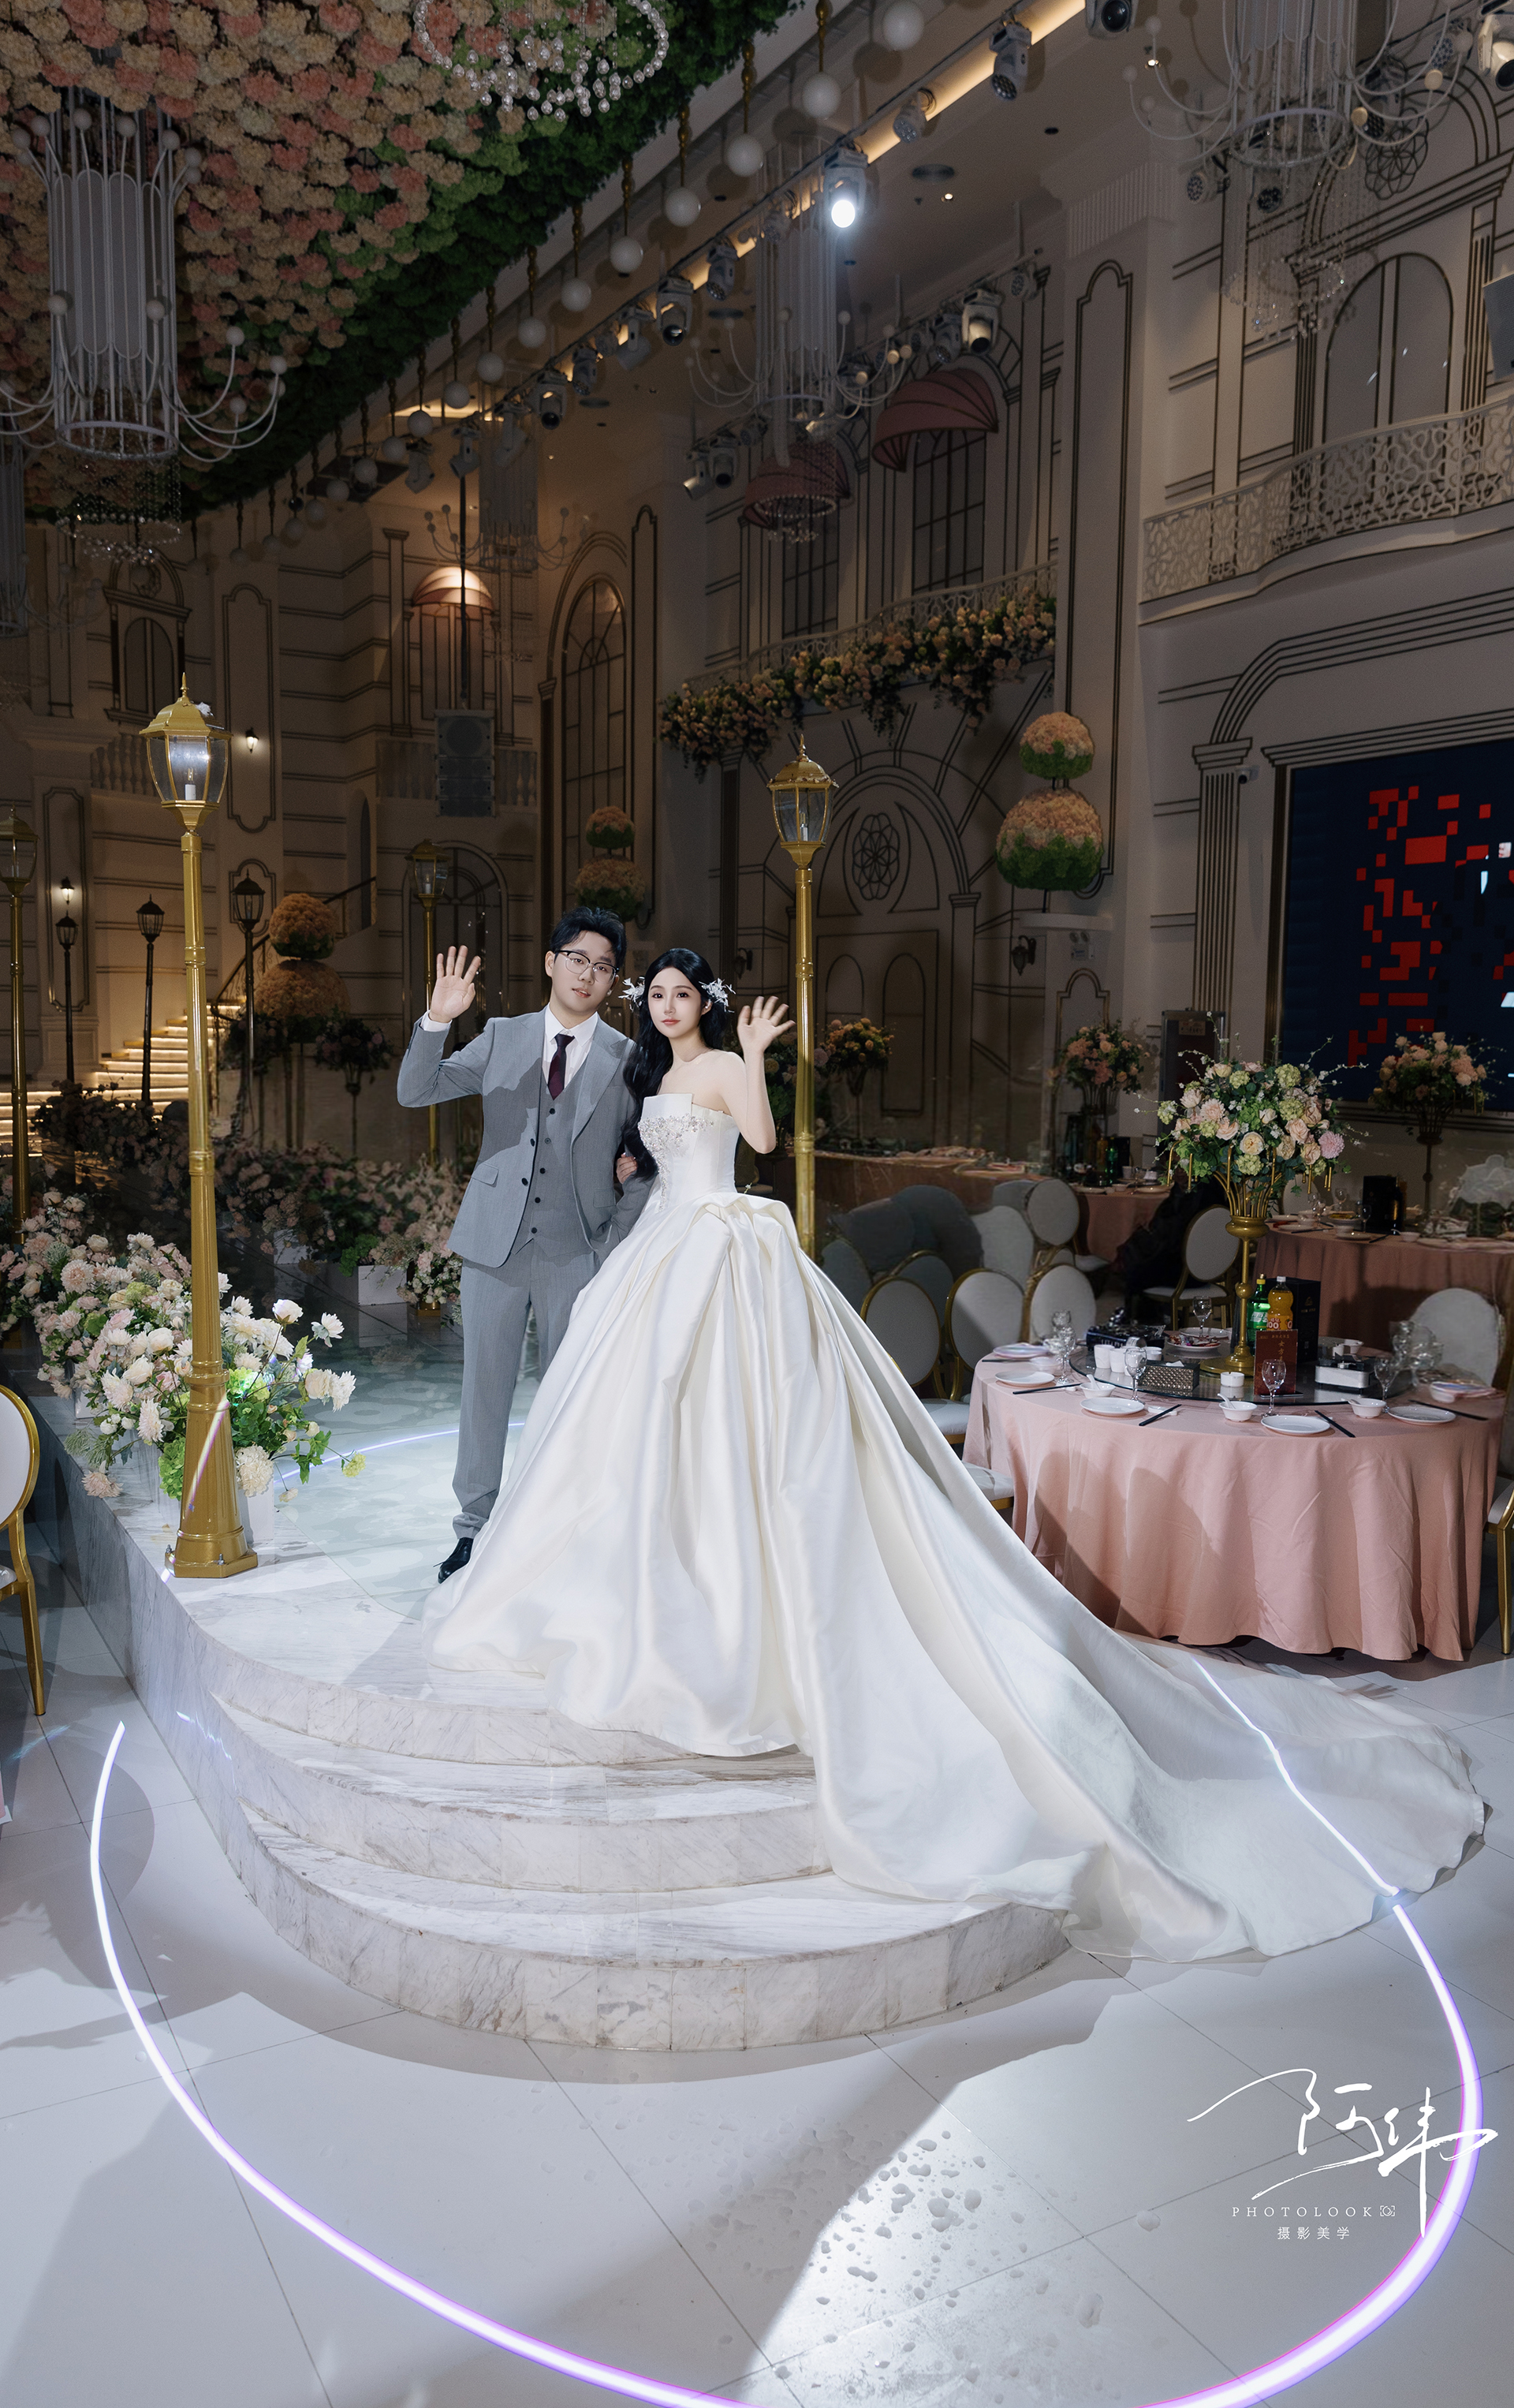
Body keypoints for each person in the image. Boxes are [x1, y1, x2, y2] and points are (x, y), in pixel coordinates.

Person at [428, 946, 1483, 1962]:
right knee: (629, 1428)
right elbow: (641, 1164)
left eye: (678, 992)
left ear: (705, 999)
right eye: (654, 993)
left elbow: (755, 1139)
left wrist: (753, 1055)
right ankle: (644, 1583)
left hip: (722, 1251)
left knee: (752, 1436)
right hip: (659, 1257)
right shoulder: (650, 1073)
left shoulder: (716, 1063)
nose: (664, 1005)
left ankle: (740, 1599)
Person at [396, 908, 649, 1581]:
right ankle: (473, 1530)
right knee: (484, 1391)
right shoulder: (502, 1036)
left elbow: (648, 1163)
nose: (588, 974)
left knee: (568, 1400)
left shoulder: (628, 1059)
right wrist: (437, 1020)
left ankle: (555, 1530)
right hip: (494, 1248)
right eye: (577, 959)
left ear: (611, 980)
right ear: (550, 962)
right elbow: (415, 1090)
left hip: (578, 1251)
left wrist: (614, 1240)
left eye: (603, 966)